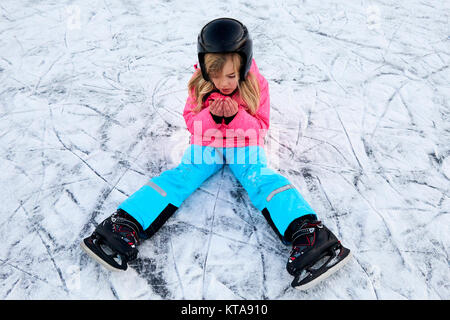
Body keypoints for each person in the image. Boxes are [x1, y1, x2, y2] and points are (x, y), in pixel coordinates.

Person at [81, 18, 351, 290]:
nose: (223, 83)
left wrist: (236, 116)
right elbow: (190, 122)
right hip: (207, 144)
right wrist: (210, 116)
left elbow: (260, 129)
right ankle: (125, 223)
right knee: (180, 176)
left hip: (243, 145)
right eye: (216, 75)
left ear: (244, 65)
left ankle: (308, 232)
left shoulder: (257, 85)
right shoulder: (199, 84)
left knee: (260, 178)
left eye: (231, 76)